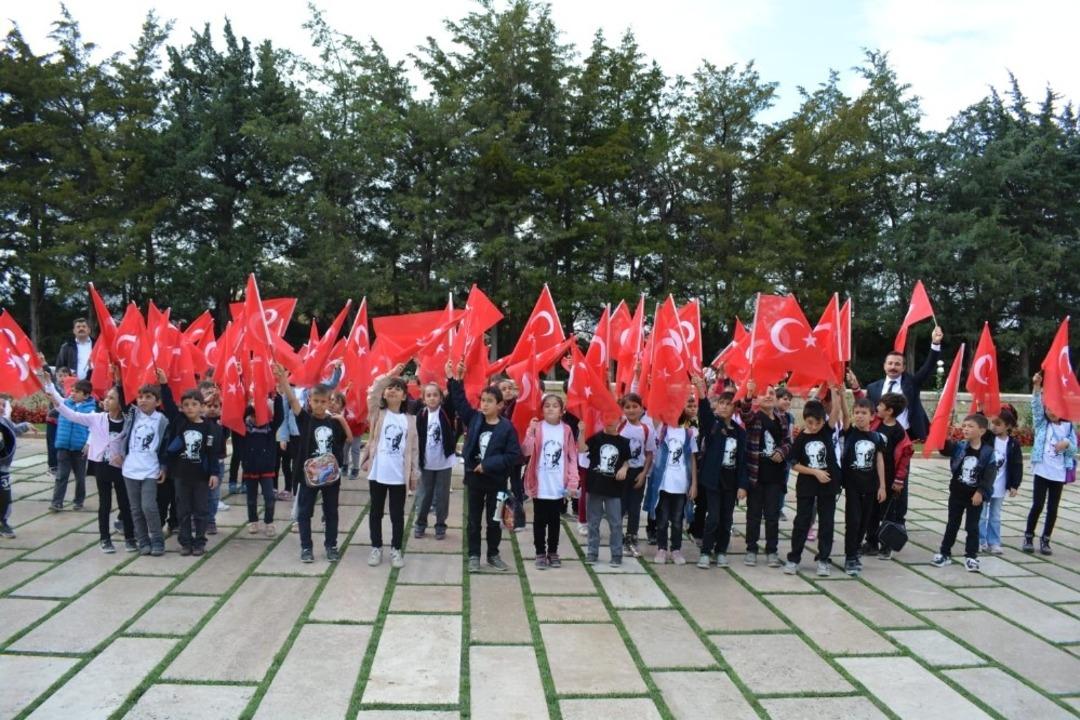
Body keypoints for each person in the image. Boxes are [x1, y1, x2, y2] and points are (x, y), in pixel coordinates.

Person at [42, 373, 136, 552]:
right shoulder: (97, 418)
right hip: (101, 466)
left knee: (125, 503)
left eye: (112, 398)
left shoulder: (129, 421)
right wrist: (55, 399)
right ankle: (105, 539)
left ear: (120, 402)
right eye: (107, 397)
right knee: (105, 503)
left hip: (121, 468)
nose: (106, 401)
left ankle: (130, 538)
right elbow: (72, 414)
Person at [447, 361, 521, 573]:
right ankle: (473, 555)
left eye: (490, 401)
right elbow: (460, 401)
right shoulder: (475, 419)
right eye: (483, 400)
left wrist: (487, 465)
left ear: (500, 405)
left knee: (494, 519)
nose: (485, 404)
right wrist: (454, 379)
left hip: (496, 482)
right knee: (473, 520)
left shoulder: (507, 428)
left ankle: (493, 554)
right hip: (475, 480)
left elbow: (512, 455)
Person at [275, 363, 352, 563]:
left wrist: (342, 420)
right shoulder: (305, 419)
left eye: (323, 401)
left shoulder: (334, 422)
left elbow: (350, 440)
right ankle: (306, 547)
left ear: (329, 401)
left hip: (330, 476)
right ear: (309, 400)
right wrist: (283, 379)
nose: (319, 404)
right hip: (308, 476)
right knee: (304, 512)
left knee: (331, 512)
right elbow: (292, 400)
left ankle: (331, 545)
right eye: (315, 401)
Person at [361, 367, 419, 569]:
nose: (392, 390)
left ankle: (396, 549)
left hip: (398, 476)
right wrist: (391, 374)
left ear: (404, 396)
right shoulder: (378, 413)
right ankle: (376, 547)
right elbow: (373, 391)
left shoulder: (410, 420)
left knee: (397, 515)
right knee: (375, 512)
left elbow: (414, 449)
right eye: (390, 388)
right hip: (378, 473)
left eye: (398, 388)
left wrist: (414, 474)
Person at [692, 375, 747, 569]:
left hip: (731, 482)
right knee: (713, 517)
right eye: (721, 403)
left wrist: (742, 485)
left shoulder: (740, 433)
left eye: (728, 404)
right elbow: (704, 413)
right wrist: (701, 391)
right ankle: (706, 552)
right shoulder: (713, 425)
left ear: (735, 408)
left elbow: (742, 460)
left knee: (726, 519)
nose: (723, 407)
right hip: (713, 480)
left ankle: (721, 551)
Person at [784, 394, 842, 577]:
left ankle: (823, 559)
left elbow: (836, 410)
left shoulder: (827, 431)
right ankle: (794, 558)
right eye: (810, 423)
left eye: (818, 423)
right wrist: (815, 472)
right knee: (802, 521)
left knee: (827, 522)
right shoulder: (801, 438)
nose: (814, 427)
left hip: (828, 486)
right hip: (807, 486)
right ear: (805, 419)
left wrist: (835, 390)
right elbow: (793, 464)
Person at [854, 325, 944, 442]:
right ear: (884, 366)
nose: (893, 367)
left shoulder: (912, 383)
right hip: (881, 434)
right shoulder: (873, 388)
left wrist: (935, 344)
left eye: (897, 364)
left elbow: (928, 367)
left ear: (903, 368)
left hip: (908, 435)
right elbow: (867, 409)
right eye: (890, 363)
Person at [933, 414, 996, 572]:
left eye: (970, 426)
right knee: (952, 524)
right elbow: (945, 449)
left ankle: (971, 556)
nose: (966, 429)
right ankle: (945, 553)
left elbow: (989, 475)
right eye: (964, 426)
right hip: (957, 493)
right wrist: (942, 434)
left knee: (972, 526)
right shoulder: (960, 446)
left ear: (982, 431)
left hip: (974, 497)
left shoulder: (988, 452)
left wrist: (980, 492)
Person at [522, 395, 579, 569]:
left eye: (555, 406)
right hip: (540, 485)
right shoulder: (537, 428)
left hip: (558, 486)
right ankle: (540, 552)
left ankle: (553, 551)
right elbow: (526, 451)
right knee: (539, 520)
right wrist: (530, 433)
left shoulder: (566, 430)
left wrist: (573, 482)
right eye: (547, 405)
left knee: (554, 521)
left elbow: (572, 457)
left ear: (562, 411)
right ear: (542, 410)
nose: (551, 408)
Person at [122, 378, 177, 557]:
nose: (143, 400)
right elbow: (122, 395)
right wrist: (119, 379)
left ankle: (157, 540)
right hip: (130, 469)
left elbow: (166, 445)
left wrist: (164, 466)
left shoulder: (162, 420)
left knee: (149, 507)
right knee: (136, 509)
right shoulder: (133, 415)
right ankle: (143, 541)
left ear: (157, 402)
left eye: (148, 397)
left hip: (150, 470)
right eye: (140, 397)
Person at [1024, 372, 1076, 555]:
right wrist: (1037, 386)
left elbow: (1073, 450)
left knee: (1052, 508)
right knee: (1037, 505)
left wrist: (1066, 444)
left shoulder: (1068, 427)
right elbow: (1036, 406)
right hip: (1042, 471)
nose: (1051, 412)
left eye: (1055, 409)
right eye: (1048, 409)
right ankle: (1028, 536)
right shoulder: (1042, 424)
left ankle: (1046, 539)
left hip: (1058, 473)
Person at [167, 389, 224, 556]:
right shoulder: (180, 423)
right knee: (183, 511)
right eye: (186, 405)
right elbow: (169, 406)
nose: (190, 408)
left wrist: (214, 473)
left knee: (201, 510)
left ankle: (199, 542)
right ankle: (185, 542)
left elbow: (212, 453)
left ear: (202, 407)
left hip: (201, 477)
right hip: (181, 475)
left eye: (194, 404)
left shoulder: (210, 427)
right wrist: (164, 384)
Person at [742, 383, 790, 567]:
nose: (768, 396)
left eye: (771, 393)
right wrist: (749, 393)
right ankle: (751, 549)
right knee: (753, 515)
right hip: (756, 475)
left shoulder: (782, 419)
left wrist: (782, 451)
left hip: (775, 477)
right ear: (757, 399)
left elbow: (788, 442)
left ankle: (772, 550)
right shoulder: (754, 418)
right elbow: (745, 413)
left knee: (772, 516)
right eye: (763, 393)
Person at [645, 402, 698, 565]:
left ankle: (676, 549)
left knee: (677, 520)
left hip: (681, 486)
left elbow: (692, 459)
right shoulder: (662, 431)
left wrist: (694, 484)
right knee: (661, 520)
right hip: (663, 485)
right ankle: (662, 548)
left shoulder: (688, 434)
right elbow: (654, 413)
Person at [840, 397, 887, 577]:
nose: (859, 416)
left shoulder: (877, 438)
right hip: (853, 486)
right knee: (853, 521)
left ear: (872, 416)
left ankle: (856, 550)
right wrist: (841, 395)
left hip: (870, 487)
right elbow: (845, 415)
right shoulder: (850, 433)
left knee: (864, 522)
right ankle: (850, 556)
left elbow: (879, 461)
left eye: (864, 413)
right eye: (857, 413)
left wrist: (882, 486)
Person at [863, 391, 913, 560]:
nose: (877, 407)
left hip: (890, 478)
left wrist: (899, 480)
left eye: (880, 405)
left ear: (890, 411)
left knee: (888, 513)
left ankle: (887, 545)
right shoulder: (876, 422)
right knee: (872, 510)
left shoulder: (899, 432)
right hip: (874, 475)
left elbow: (905, 458)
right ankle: (871, 543)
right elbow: (862, 405)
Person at [579, 414, 631, 567]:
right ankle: (592, 552)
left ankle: (616, 554)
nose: (610, 421)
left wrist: (624, 468)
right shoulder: (596, 438)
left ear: (620, 420)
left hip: (614, 488)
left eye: (613, 418)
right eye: (607, 418)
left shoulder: (623, 442)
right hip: (595, 486)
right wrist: (581, 432)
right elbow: (582, 449)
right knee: (593, 522)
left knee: (616, 523)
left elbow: (627, 461)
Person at [414, 382, 459, 541]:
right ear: (423, 399)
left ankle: (440, 525)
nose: (432, 398)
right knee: (424, 495)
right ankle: (420, 523)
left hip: (444, 463)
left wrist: (451, 378)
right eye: (428, 395)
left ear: (441, 398)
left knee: (442, 496)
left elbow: (454, 395)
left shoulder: (446, 412)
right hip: (426, 463)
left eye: (435, 395)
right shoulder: (421, 415)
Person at [49, 379, 96, 512]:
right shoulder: (66, 403)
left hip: (79, 448)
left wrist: (88, 444)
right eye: (73, 391)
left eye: (77, 392)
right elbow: (54, 394)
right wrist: (48, 382)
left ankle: (79, 501)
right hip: (64, 446)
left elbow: (93, 429)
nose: (73, 393)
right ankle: (57, 502)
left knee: (80, 477)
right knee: (61, 476)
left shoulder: (90, 411)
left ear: (86, 395)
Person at [980, 405, 1022, 555]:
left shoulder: (1013, 444)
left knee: (995, 515)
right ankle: (980, 541)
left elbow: (1017, 465)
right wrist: (980, 410)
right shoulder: (988, 438)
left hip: (1000, 485)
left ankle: (994, 542)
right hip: (985, 484)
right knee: (981, 514)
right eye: (993, 423)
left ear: (1008, 426)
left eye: (998, 424)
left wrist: (1014, 485)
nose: (994, 426)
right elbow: (980, 426)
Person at [618, 393, 655, 559]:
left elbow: (649, 453)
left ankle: (631, 538)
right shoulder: (620, 427)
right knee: (619, 507)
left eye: (635, 406)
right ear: (623, 409)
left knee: (634, 508)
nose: (631, 410)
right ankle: (617, 537)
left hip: (638, 472)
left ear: (641, 408)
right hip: (621, 473)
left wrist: (643, 474)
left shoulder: (646, 429)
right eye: (627, 407)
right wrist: (623, 467)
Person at [242, 396, 284, 537]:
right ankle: (253, 521)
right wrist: (253, 404)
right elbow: (240, 416)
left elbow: (280, 416)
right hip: (250, 468)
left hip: (266, 469)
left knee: (269, 497)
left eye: (260, 415)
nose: (257, 419)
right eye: (254, 416)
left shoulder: (270, 428)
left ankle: (269, 522)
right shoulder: (245, 429)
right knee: (251, 499)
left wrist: (277, 397)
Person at [0, 407, 38, 539]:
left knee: (5, 497)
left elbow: (14, 430)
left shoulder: (4, 421)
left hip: (3, 468)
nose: (2, 408)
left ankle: (3, 522)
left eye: (3, 405)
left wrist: (26, 425)